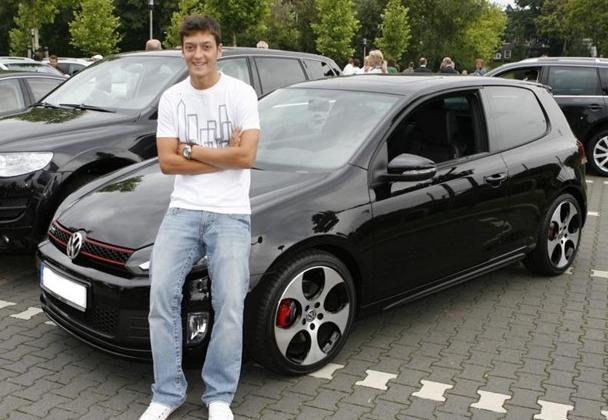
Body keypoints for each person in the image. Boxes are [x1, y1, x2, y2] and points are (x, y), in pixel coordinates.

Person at [139, 15, 260, 420]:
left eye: (206, 46)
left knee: (230, 302)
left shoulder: (241, 94)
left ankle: (219, 396)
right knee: (161, 295)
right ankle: (167, 393)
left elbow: (247, 156)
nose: (198, 54)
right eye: (190, 47)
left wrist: (191, 149)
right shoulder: (173, 98)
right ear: (182, 51)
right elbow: (167, 163)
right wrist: (223, 156)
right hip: (183, 209)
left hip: (230, 214)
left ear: (219, 50)